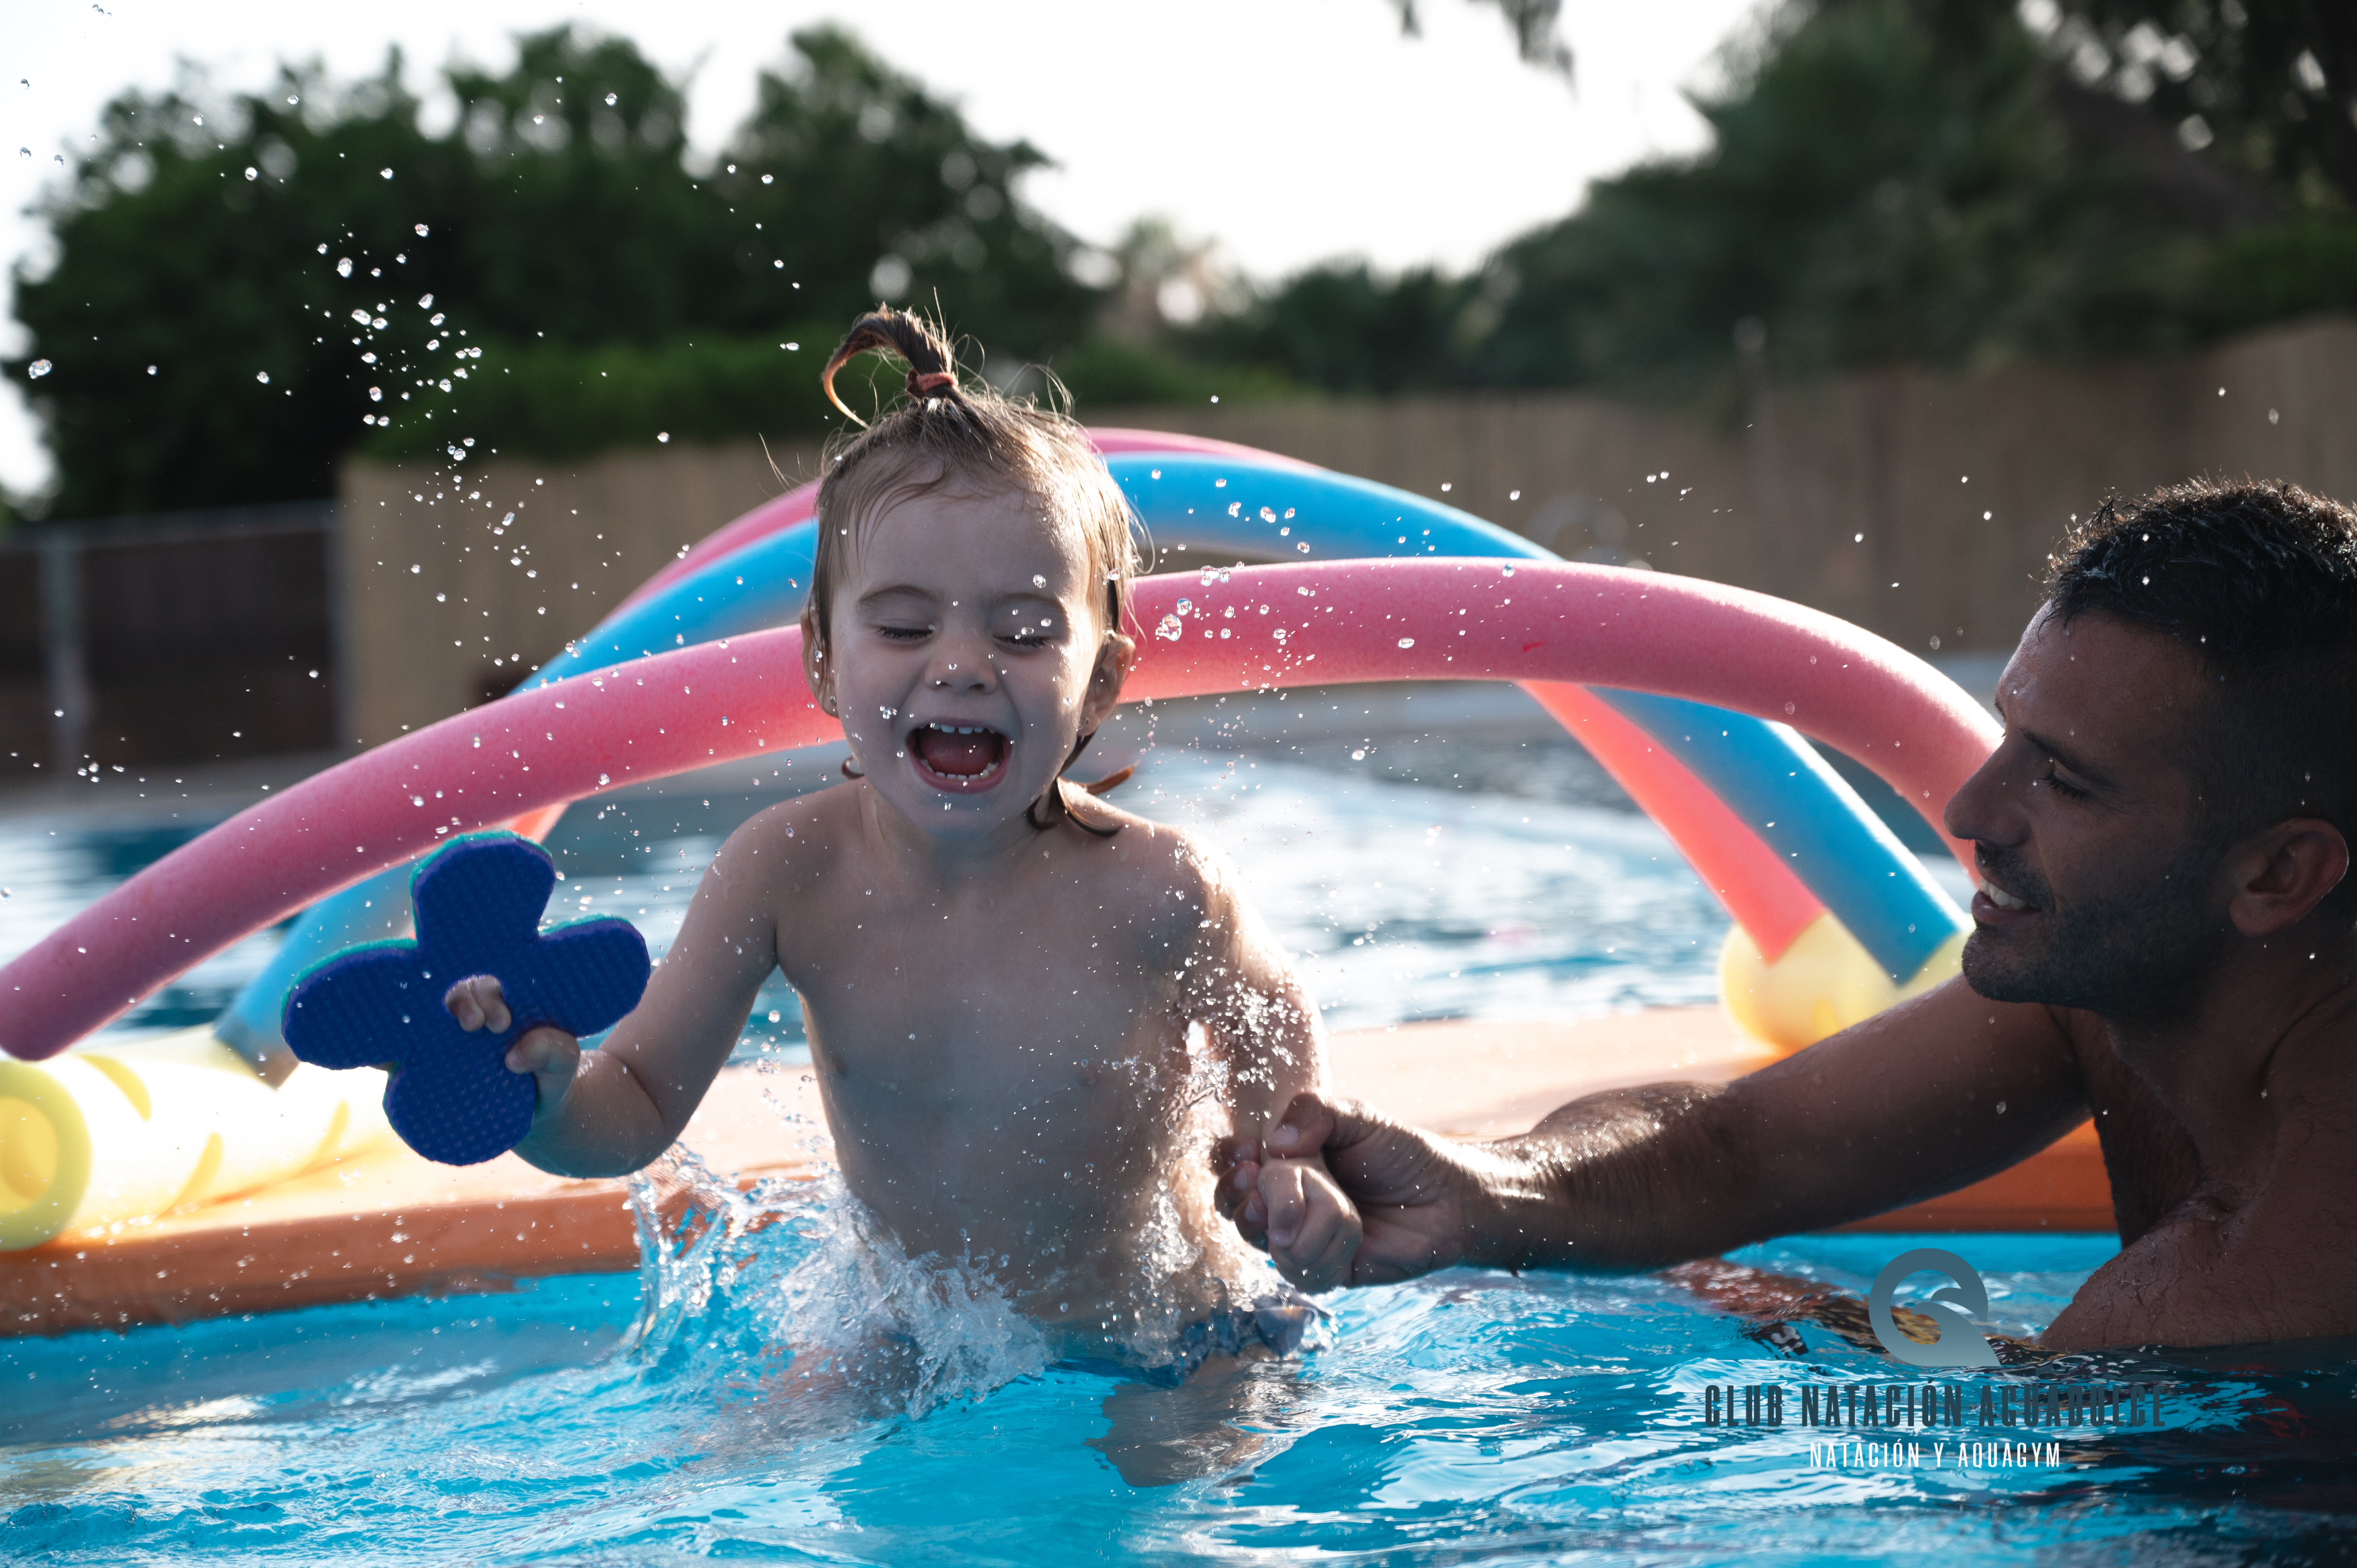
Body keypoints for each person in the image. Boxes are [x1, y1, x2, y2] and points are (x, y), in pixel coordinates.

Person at [1219, 477, 2357, 1353]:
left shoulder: (2278, 1274)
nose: (1972, 807)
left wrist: (1773, 1314)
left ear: (2277, 877)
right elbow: (1744, 1146)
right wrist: (1476, 1186)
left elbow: (2020, 1440)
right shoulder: (2112, 992)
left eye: (2064, 779)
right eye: (2008, 732)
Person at [443, 308, 1350, 1385]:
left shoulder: (1159, 888)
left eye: (1022, 630)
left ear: (1101, 679)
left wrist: (1284, 1165)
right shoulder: (785, 875)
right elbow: (634, 1103)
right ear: (824, 662)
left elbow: (1271, 1013)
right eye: (906, 627)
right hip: (913, 1344)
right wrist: (542, 1098)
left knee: (1166, 1486)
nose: (963, 664)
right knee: (735, 1464)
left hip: (1166, 1338)